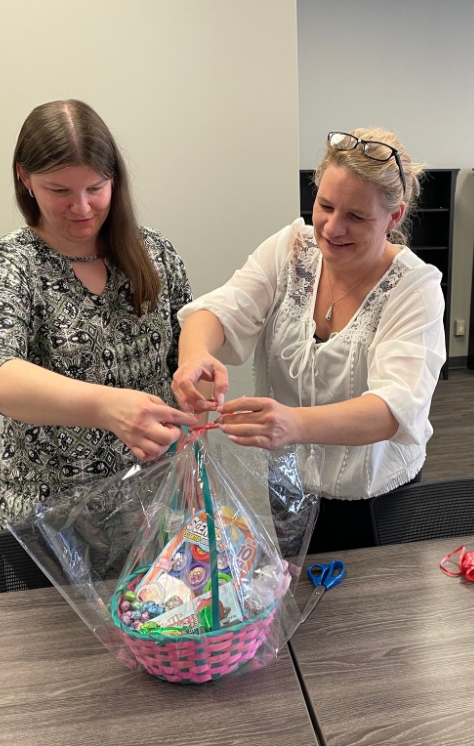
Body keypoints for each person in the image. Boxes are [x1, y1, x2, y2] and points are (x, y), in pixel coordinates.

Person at [172, 128, 446, 552]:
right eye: (325, 205)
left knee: (376, 615)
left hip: (375, 503)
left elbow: (394, 409)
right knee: (296, 600)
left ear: (394, 218)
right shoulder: (291, 251)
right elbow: (219, 310)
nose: (333, 227)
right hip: (288, 491)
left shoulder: (415, 290)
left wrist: (294, 424)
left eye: (356, 217)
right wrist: (193, 356)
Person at [0, 99, 198, 528]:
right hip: (51, 523)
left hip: (156, 508)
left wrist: (194, 427)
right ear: (25, 178)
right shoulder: (10, 264)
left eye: (95, 188)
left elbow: (183, 359)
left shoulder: (156, 254)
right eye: (60, 191)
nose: (83, 207)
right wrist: (105, 406)